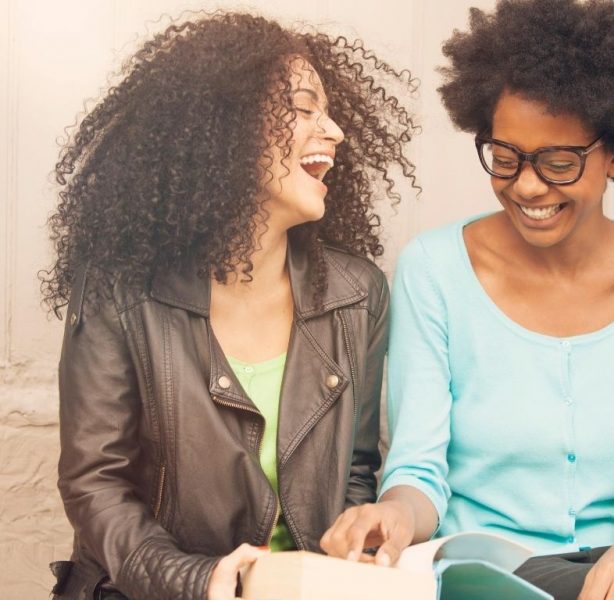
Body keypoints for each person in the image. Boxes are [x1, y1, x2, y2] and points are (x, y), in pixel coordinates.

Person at [320, 1, 614, 598]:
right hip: (483, 560)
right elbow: (418, 468)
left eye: (558, 162)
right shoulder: (434, 269)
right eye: (505, 157)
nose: (525, 185)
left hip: (613, 548)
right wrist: (394, 513)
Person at [41, 12, 417, 600]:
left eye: (329, 110)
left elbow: (355, 472)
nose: (336, 130)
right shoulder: (119, 290)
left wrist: (354, 554)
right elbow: (96, 484)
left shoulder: (357, 293)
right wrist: (210, 581)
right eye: (303, 107)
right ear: (225, 125)